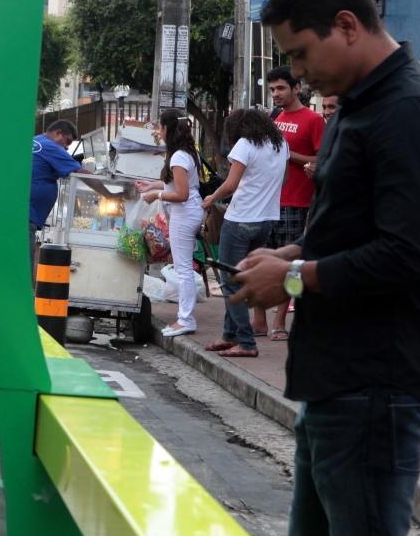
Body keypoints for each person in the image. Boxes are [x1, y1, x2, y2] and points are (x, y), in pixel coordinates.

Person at [232, 0, 420, 536]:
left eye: (301, 54)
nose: (297, 72)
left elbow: (407, 256)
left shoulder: (411, 112)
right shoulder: (353, 108)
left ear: (346, 25)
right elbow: (345, 233)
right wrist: (283, 255)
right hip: (335, 380)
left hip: (375, 384)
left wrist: (291, 278)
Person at [200, 109, 289, 357]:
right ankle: (229, 336)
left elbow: (230, 185)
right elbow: (284, 179)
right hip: (266, 220)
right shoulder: (280, 143)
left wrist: (211, 199)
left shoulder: (245, 144)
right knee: (240, 278)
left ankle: (247, 343)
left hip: (240, 219)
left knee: (230, 282)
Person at [259, 65, 325, 342]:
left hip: (296, 202)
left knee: (290, 264)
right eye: (272, 89)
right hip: (267, 201)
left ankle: (280, 321)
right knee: (263, 259)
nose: (275, 93)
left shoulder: (313, 120)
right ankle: (259, 320)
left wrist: (290, 153)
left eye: (281, 88)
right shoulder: (273, 118)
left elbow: (322, 160)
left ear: (296, 88)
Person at [136, 109, 205, 337]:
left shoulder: (178, 156)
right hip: (190, 210)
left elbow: (182, 194)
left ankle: (186, 319)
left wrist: (156, 196)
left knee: (183, 269)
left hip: (185, 213)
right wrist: (152, 186)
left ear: (166, 128)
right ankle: (185, 318)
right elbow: (177, 185)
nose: (158, 131)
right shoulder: (187, 152)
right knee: (184, 267)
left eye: (159, 127)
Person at [29, 120, 112, 276]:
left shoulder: (36, 140)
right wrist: (110, 195)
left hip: (24, 214)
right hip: (26, 216)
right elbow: (81, 173)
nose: (67, 147)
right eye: (67, 141)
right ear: (58, 133)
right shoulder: (52, 147)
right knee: (24, 267)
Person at [304, 95, 338, 178]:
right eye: (324, 107)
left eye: (332, 107)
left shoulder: (353, 133)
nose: (326, 112)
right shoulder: (329, 131)